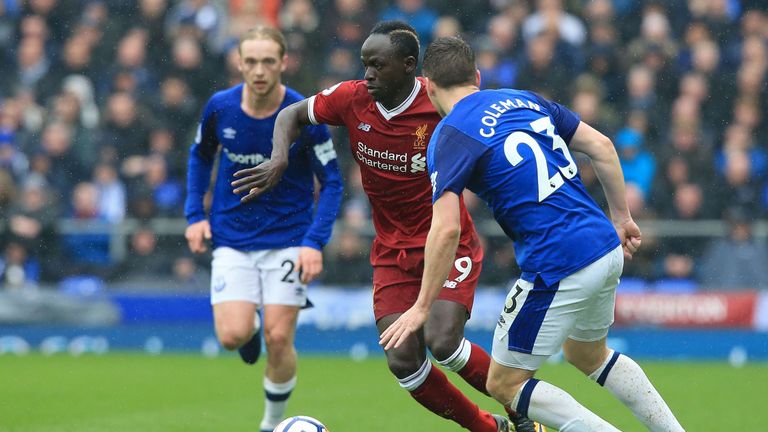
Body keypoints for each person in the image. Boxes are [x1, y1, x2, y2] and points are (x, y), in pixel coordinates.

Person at [232, 21, 535, 432]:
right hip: (392, 252)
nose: (368, 74)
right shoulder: (351, 99)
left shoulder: (440, 103)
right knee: (403, 362)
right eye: (364, 64)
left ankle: (524, 409)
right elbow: (291, 114)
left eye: (378, 65)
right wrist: (280, 157)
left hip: (448, 242)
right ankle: (490, 428)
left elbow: (492, 132)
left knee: (443, 343)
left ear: (410, 66)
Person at [380, 36, 684, 431]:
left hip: (558, 262)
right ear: (476, 76)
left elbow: (447, 228)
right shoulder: (523, 99)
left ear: (428, 85)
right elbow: (603, 146)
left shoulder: (450, 134)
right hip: (604, 244)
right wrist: (622, 217)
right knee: (588, 355)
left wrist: (421, 306)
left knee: (504, 383)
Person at [184, 26, 343, 432]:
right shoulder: (220, 108)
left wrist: (314, 241)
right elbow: (200, 157)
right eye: (250, 61)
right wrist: (194, 216)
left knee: (278, 338)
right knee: (232, 336)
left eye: (268, 61)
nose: (258, 70)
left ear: (283, 63)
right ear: (238, 63)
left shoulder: (303, 115)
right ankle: (248, 326)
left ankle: (271, 424)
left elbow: (333, 182)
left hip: (288, 239)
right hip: (232, 237)